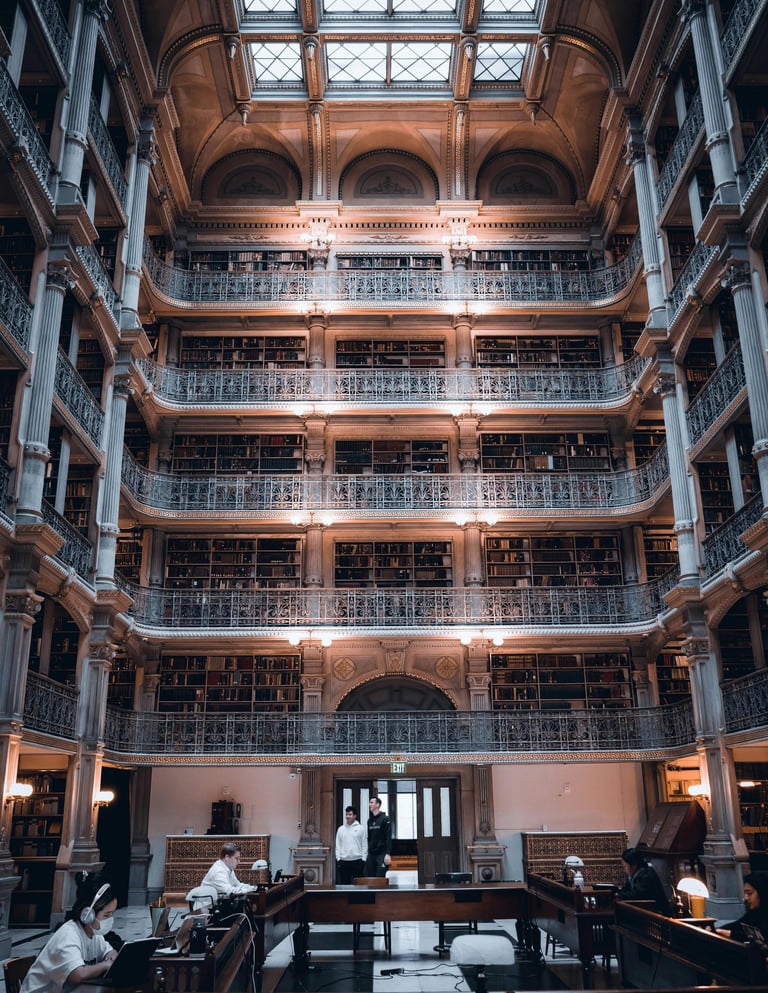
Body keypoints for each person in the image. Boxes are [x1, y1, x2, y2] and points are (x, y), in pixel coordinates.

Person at [20, 873, 119, 993]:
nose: (110, 919)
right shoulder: (68, 935)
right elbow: (78, 975)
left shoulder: (94, 934)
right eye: (106, 915)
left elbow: (111, 953)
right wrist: (106, 964)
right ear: (88, 915)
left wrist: (112, 958)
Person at [618, 847, 672, 915]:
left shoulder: (646, 875)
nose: (624, 870)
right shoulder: (632, 875)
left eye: (625, 867)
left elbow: (636, 895)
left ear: (634, 865)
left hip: (657, 915)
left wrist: (619, 894)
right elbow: (627, 889)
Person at [717, 872, 768, 941]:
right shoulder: (754, 912)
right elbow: (738, 924)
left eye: (749, 893)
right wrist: (716, 929)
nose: (746, 897)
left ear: (761, 893)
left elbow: (762, 936)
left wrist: (728, 933)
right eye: (745, 893)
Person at [336, 805, 368, 884]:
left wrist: (364, 859)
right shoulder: (341, 829)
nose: (347, 816)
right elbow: (338, 845)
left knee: (359, 885)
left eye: (350, 814)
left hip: (357, 861)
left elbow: (364, 844)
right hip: (344, 861)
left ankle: (357, 897)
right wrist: (338, 858)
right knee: (344, 884)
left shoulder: (361, 828)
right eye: (346, 814)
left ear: (354, 816)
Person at [365, 796, 392, 877]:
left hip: (381, 853)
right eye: (369, 803)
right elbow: (369, 837)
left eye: (371, 802)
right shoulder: (369, 821)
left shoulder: (385, 819)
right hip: (371, 853)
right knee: (370, 877)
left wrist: (388, 853)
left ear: (377, 805)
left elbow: (388, 837)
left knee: (380, 877)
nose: (369, 804)